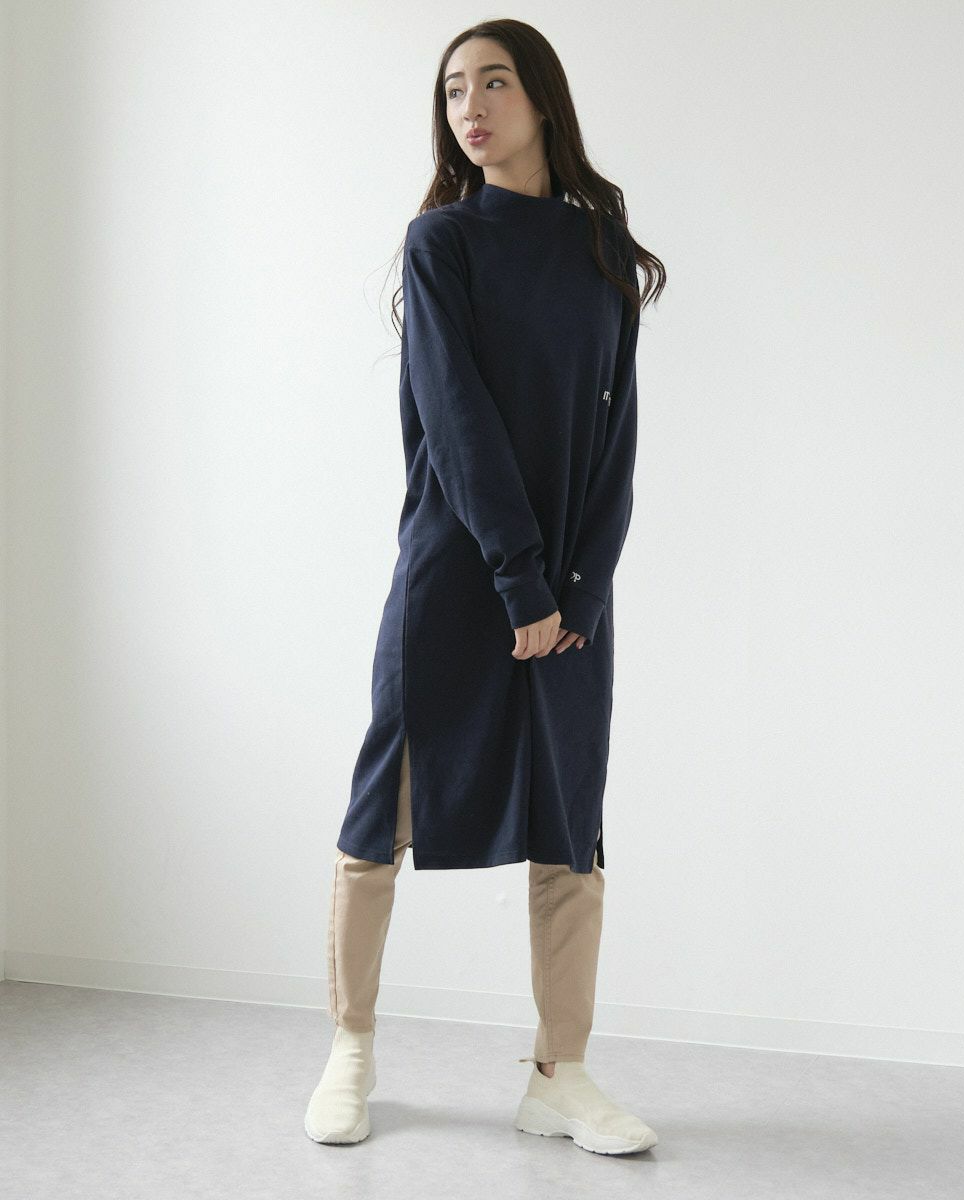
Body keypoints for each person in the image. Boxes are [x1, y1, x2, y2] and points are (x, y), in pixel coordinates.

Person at [305, 18, 664, 1154]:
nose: (471, 106)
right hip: (461, 577)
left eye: (494, 82)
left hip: (566, 591)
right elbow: (456, 422)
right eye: (455, 89)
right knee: (382, 818)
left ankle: (560, 1075)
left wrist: (579, 592)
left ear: (542, 99)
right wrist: (520, 583)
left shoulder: (604, 249)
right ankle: (350, 1047)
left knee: (572, 828)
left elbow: (615, 441)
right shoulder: (442, 244)